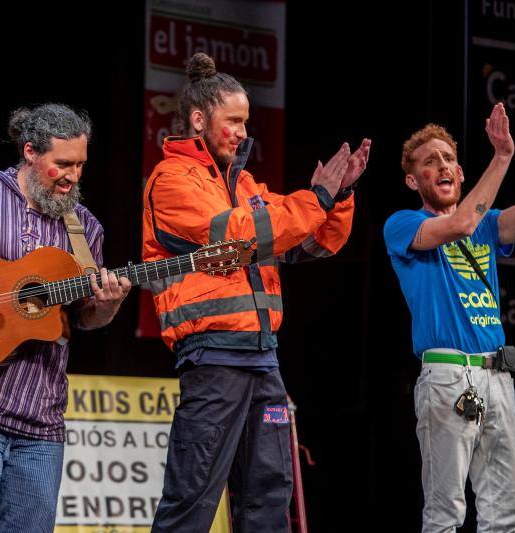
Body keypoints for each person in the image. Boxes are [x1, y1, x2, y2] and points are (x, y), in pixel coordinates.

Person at [141, 52, 371, 532]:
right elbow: (241, 233)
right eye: (235, 121)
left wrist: (339, 198)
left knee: (269, 497)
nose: (243, 132)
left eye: (246, 121)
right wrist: (318, 199)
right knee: (193, 499)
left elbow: (310, 242)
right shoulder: (171, 181)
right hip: (212, 360)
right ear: (200, 120)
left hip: (263, 359)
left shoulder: (243, 183)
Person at [0, 103, 131, 532]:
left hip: (43, 416)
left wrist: (107, 304)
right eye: (62, 164)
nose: (73, 176)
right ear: (30, 151)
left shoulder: (85, 229)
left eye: (81, 165)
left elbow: (85, 318)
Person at [384, 89, 515, 532]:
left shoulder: (486, 224)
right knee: (445, 514)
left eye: (447, 158)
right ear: (412, 180)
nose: (441, 165)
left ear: (461, 173)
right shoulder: (402, 225)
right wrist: (502, 156)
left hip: (498, 377)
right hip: (447, 378)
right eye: (429, 161)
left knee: (505, 514)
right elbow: (458, 223)